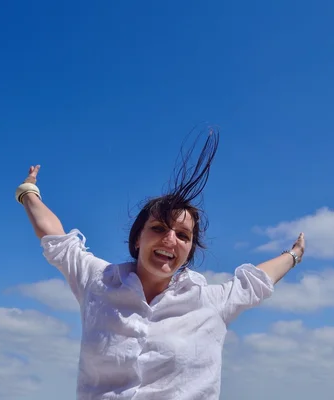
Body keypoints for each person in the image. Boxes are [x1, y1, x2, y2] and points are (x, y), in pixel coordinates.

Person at [16, 129, 305, 400]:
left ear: (189, 250)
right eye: (158, 228)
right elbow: (55, 238)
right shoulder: (98, 280)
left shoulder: (209, 301)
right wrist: (28, 191)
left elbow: (255, 282)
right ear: (137, 239)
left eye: (182, 235)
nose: (170, 239)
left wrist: (292, 256)